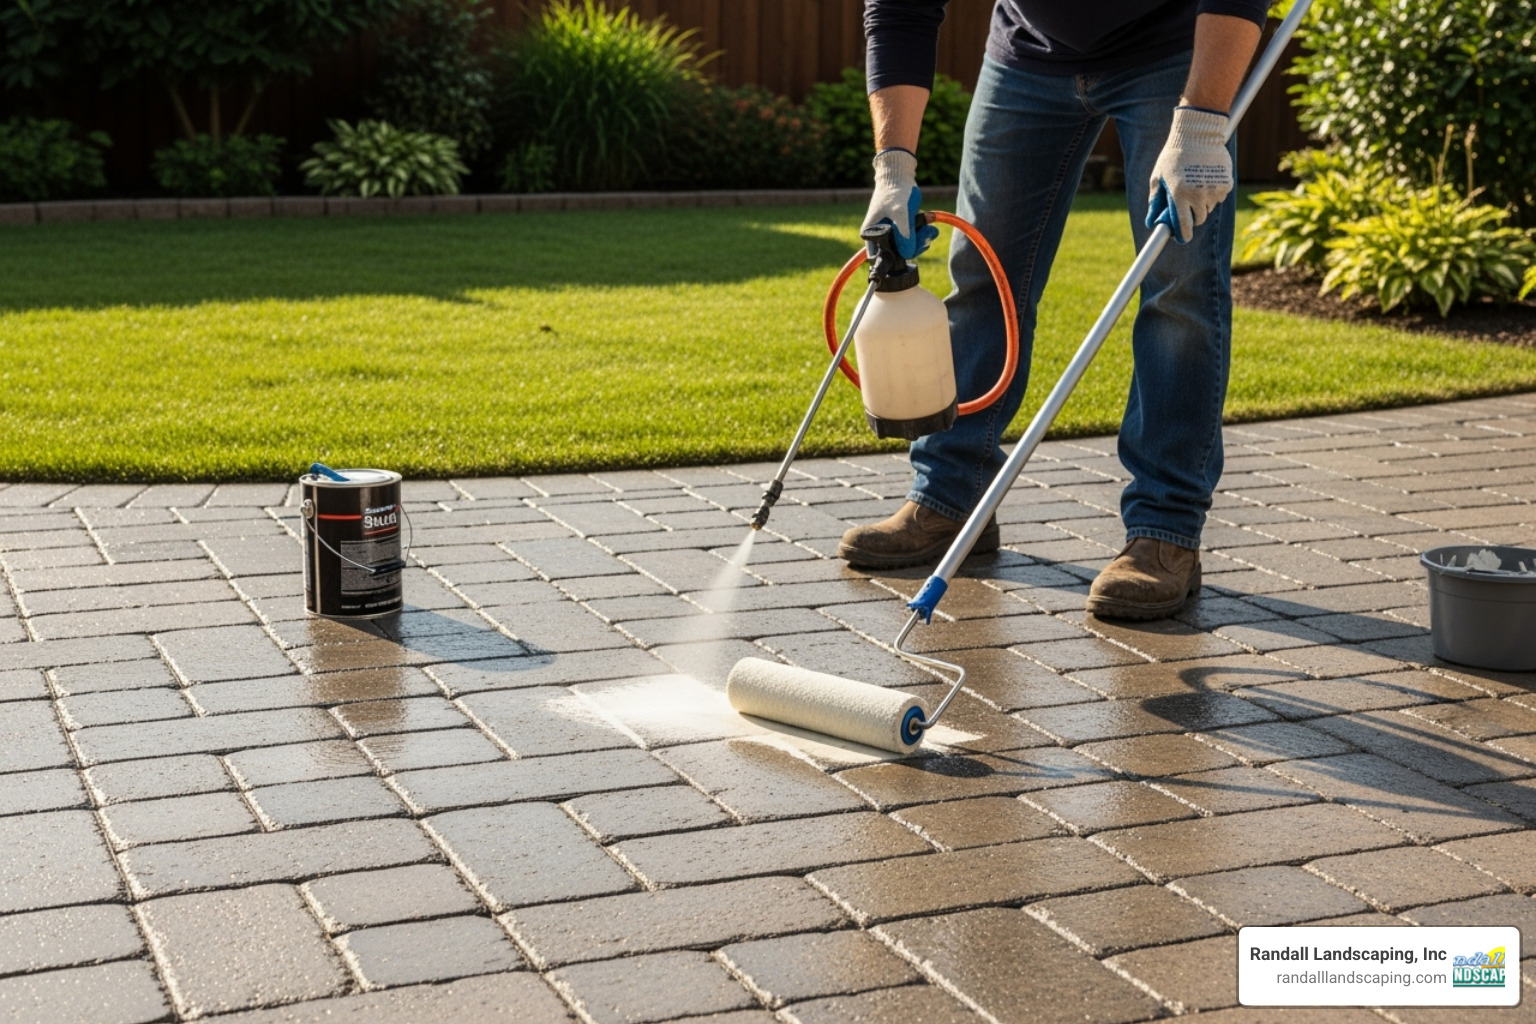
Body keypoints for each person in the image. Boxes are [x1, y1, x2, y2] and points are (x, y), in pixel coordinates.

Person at [838, 0, 1267, 621]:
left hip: (1175, 47)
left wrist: (1201, 122)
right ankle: (951, 498)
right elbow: (900, 9)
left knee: (1179, 290)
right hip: (1028, 49)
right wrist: (893, 171)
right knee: (983, 274)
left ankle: (1165, 530)